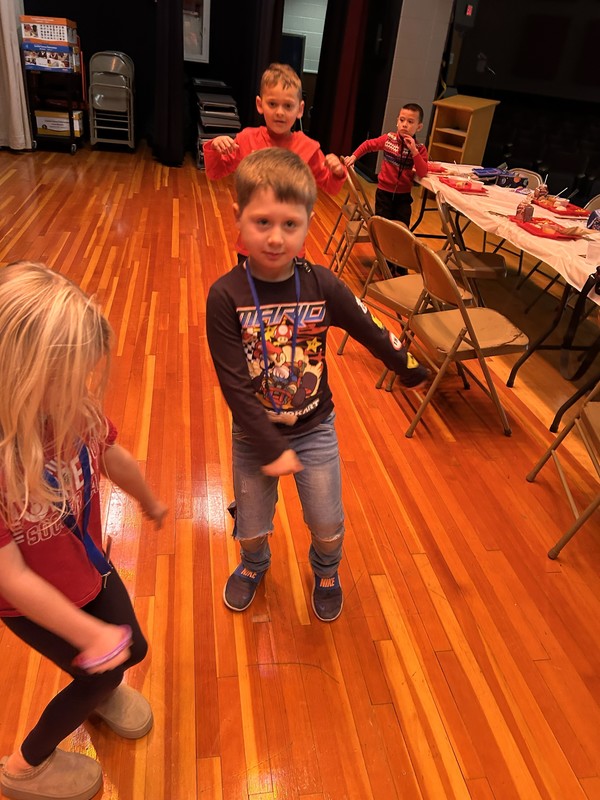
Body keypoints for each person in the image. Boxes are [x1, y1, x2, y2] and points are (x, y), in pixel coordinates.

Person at [206, 148, 429, 623]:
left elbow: (369, 325)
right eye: (262, 222)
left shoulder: (322, 285)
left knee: (327, 522)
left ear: (309, 222)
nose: (275, 238)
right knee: (251, 524)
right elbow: (234, 388)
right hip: (253, 435)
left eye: (290, 224)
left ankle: (326, 571)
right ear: (237, 217)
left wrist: (408, 364)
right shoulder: (224, 297)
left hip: (314, 430)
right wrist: (269, 446)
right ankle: (253, 563)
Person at [0, 262, 167, 800]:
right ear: (20, 376)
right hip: (31, 602)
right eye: (71, 382)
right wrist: (87, 633)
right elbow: (12, 578)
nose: (84, 394)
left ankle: (101, 688)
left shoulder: (72, 411)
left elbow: (109, 453)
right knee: (98, 671)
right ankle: (22, 768)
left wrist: (147, 498)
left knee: (131, 648)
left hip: (87, 565)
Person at [203, 63, 347, 260]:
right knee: (248, 291)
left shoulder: (309, 148)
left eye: (287, 106)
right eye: (272, 104)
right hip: (252, 245)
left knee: (288, 291)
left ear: (300, 109)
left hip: (289, 247)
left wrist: (337, 172)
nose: (280, 112)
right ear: (260, 104)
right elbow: (215, 172)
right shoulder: (247, 139)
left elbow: (330, 186)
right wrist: (216, 146)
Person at [345, 103, 428, 273]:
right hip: (384, 193)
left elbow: (423, 172)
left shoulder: (420, 149)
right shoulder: (389, 139)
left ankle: (401, 263)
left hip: (403, 197)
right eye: (402, 120)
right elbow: (369, 145)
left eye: (410, 122)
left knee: (402, 231)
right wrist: (354, 156)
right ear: (397, 121)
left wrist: (414, 151)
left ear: (419, 127)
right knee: (384, 229)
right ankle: (386, 263)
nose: (405, 124)